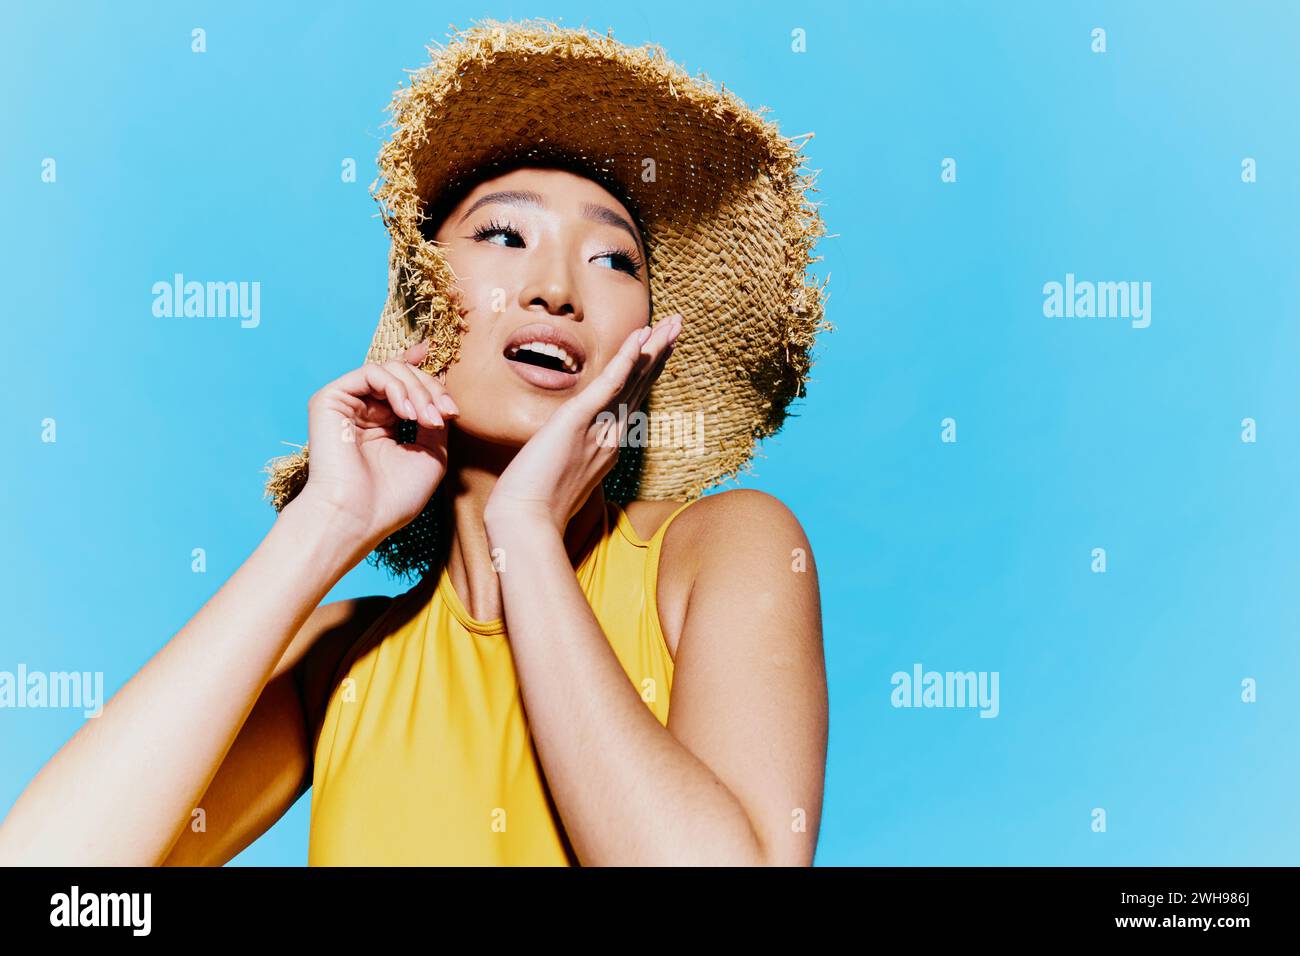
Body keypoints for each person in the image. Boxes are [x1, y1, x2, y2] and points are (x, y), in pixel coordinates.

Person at [0, 19, 830, 866]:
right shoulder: (341, 662)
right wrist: (326, 520)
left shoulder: (722, 551)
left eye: (615, 260)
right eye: (505, 236)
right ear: (426, 302)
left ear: (646, 344)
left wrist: (529, 538)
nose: (556, 291)